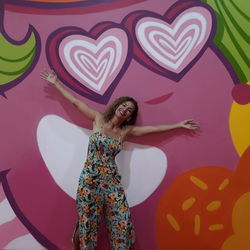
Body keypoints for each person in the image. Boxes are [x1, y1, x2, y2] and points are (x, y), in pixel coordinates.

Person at [40, 70, 199, 250]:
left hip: (112, 182)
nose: (125, 109)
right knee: (88, 224)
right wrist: (56, 83)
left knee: (122, 221)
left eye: (129, 110)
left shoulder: (125, 132)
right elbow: (76, 103)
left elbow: (153, 129)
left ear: (129, 116)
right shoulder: (98, 119)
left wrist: (177, 125)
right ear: (117, 105)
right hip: (89, 180)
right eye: (124, 105)